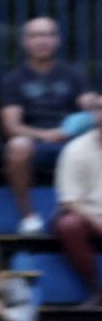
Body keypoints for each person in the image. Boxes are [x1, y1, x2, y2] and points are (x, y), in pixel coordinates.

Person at [0, 18, 94, 234]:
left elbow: (90, 107)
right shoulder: (13, 80)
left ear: (57, 40)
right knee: (17, 146)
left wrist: (88, 110)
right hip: (36, 145)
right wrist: (44, 135)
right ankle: (29, 217)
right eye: (36, 35)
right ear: (25, 42)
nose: (43, 40)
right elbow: (11, 126)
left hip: (73, 143)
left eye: (49, 34)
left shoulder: (74, 75)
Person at [52, 92, 102, 309]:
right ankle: (95, 288)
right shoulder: (75, 149)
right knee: (69, 225)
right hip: (87, 215)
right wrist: (96, 221)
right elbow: (68, 201)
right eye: (99, 107)